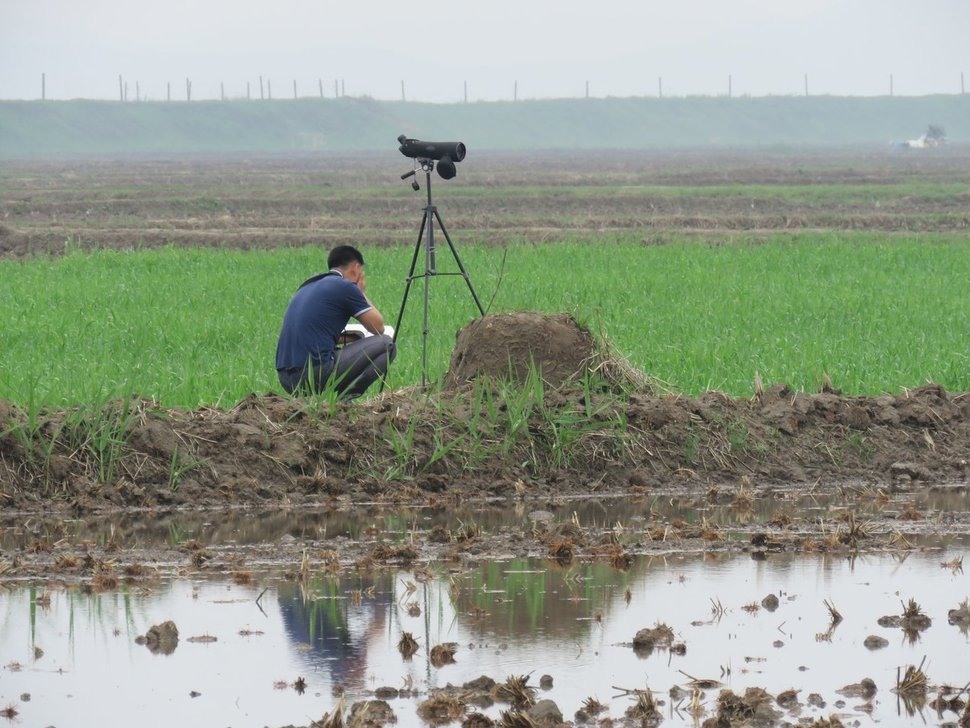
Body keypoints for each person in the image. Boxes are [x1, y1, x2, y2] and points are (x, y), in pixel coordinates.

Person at [275, 245, 396, 399]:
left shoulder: (308, 286)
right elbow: (378, 327)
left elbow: (313, 334)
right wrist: (360, 292)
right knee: (387, 344)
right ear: (355, 268)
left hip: (286, 377)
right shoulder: (345, 286)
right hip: (314, 373)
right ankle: (345, 401)